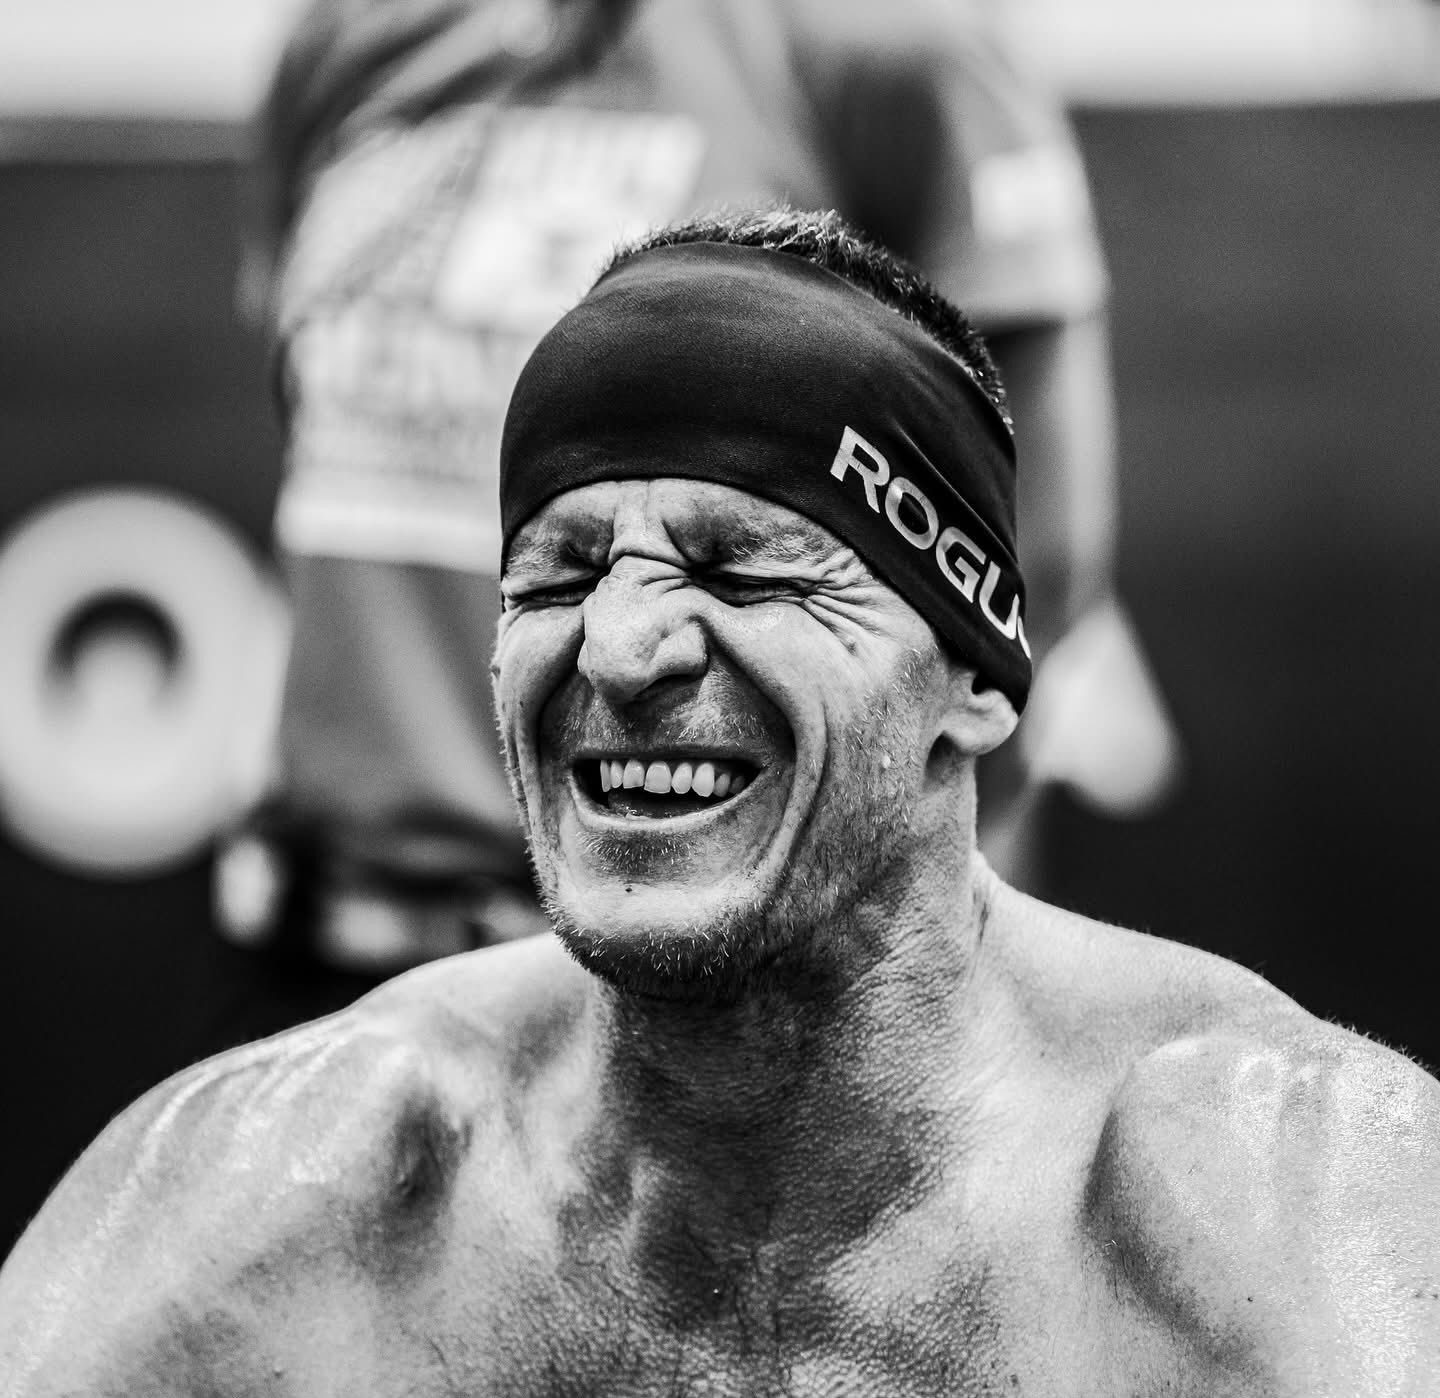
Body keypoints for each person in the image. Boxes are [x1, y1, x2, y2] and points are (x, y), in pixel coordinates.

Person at [2, 208, 1435, 1393]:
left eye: (741, 570)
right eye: (560, 575)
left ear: (975, 682)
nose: (619, 648)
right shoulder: (312, 1183)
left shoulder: (1261, 1188)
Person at [216, 0, 1145, 975]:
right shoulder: (347, 32)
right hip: (318, 935)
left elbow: (1027, 568)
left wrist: (830, 949)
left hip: (674, 978)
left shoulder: (890, 38)